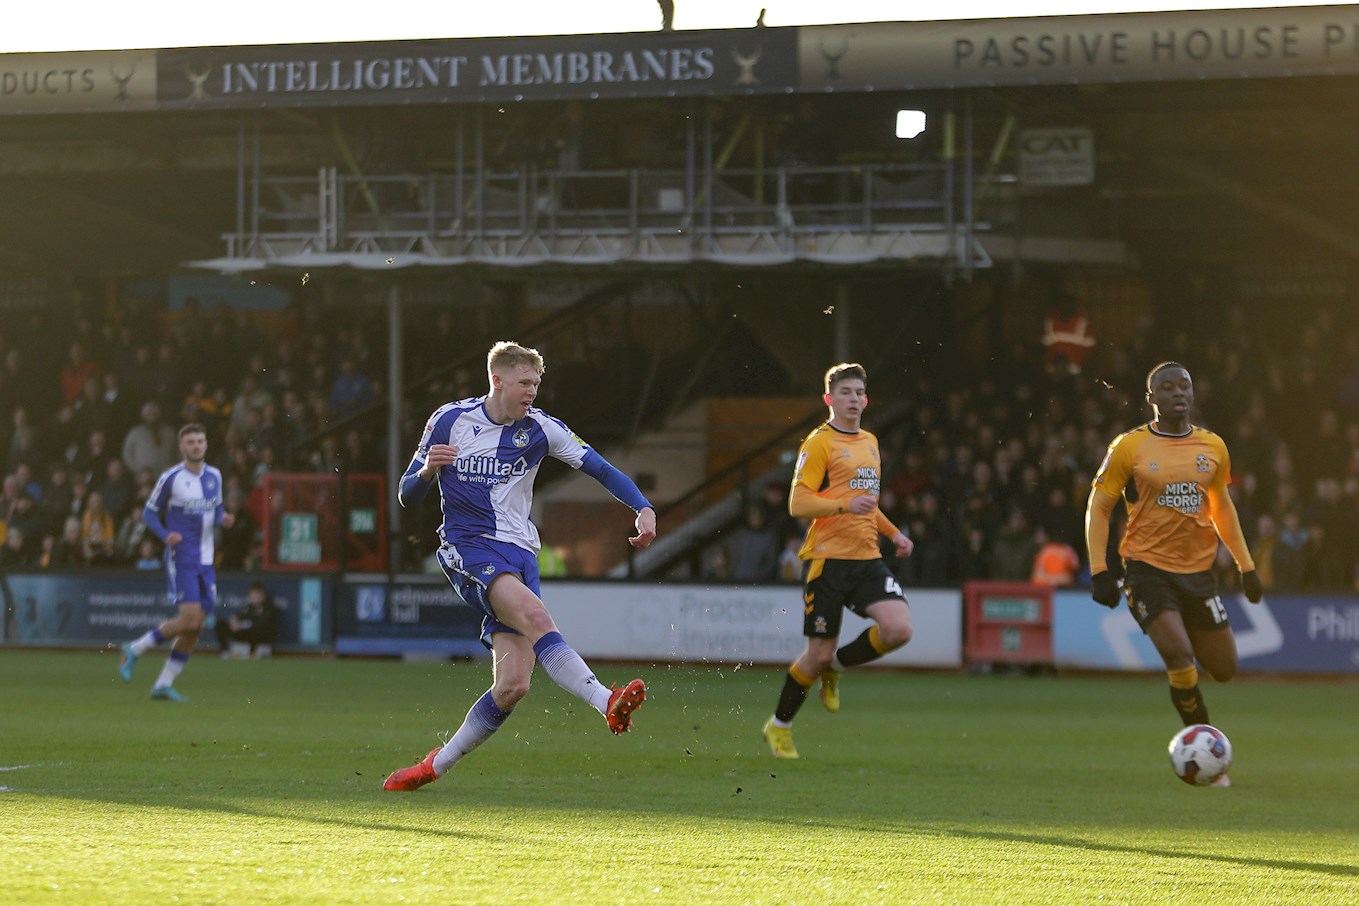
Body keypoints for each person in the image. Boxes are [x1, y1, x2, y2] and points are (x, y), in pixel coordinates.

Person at [382, 341, 658, 792]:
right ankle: (607, 701)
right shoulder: (450, 421)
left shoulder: (541, 429)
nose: (532, 391)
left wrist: (642, 506)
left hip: (520, 555)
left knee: (513, 687)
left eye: (536, 383)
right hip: (469, 546)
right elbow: (406, 494)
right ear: (498, 380)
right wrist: (427, 471)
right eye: (525, 383)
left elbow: (602, 469)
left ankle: (434, 766)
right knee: (537, 618)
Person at [1085, 362, 1262, 787]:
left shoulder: (1213, 447)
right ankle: (1204, 752)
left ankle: (1200, 745)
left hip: (1198, 573)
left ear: (1193, 393)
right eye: (1167, 387)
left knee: (1224, 668)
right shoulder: (1129, 446)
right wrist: (1099, 569)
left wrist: (1247, 565)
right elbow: (1100, 506)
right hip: (1146, 569)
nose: (1178, 392)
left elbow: (1221, 507)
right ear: (1152, 400)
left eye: (1184, 385)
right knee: (1180, 655)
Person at [761, 363, 914, 760]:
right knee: (817, 654)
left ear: (867, 399)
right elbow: (798, 502)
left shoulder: (871, 442)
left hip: (867, 557)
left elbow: (868, 504)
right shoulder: (819, 443)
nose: (853, 399)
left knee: (899, 629)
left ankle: (838, 668)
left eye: (858, 393)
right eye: (844, 392)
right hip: (828, 560)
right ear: (829, 399)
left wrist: (893, 532)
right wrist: (844, 504)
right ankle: (779, 727)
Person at [116, 423, 234, 702]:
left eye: (200, 441)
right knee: (190, 618)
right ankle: (135, 648)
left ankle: (162, 684)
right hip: (182, 556)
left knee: (197, 625)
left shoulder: (214, 475)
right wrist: (165, 534)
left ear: (205, 445)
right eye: (191, 442)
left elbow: (216, 508)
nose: (196, 446)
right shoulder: (171, 478)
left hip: (206, 559)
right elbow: (149, 513)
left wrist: (223, 518)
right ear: (182, 447)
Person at [215, 581, 279, 657]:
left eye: (256, 594)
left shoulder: (269, 608)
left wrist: (241, 626)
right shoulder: (249, 607)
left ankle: (252, 654)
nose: (253, 597)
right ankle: (225, 652)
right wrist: (234, 620)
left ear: (262, 595)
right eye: (252, 594)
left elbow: (260, 624)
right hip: (245, 633)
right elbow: (240, 615)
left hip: (259, 637)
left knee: (256, 631)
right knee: (220, 624)